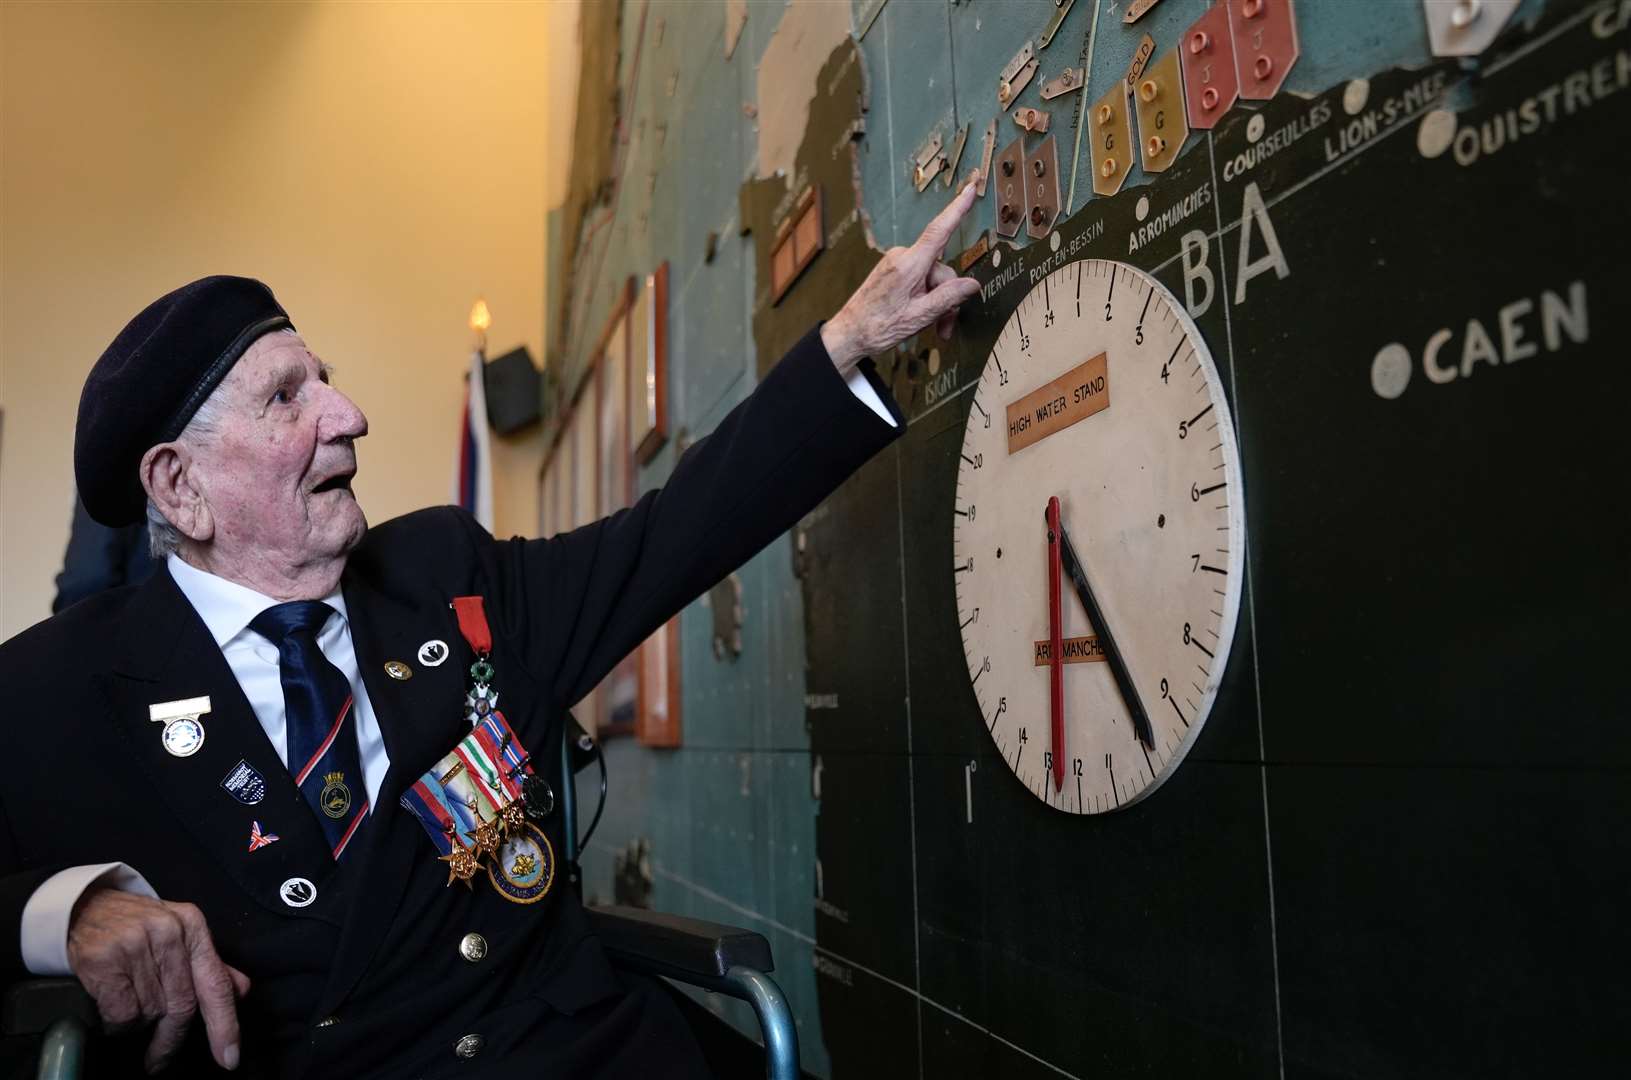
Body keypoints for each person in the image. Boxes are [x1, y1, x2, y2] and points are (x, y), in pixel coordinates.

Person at [0, 177, 983, 1077]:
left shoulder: (440, 574)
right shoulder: (65, 686)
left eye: (325, 377)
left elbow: (672, 535)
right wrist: (65, 914)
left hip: (580, 1053)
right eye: (287, 397)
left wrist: (846, 342)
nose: (349, 416)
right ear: (181, 485)